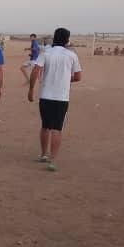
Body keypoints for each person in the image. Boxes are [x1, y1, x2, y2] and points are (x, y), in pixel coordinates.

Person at [28, 27, 82, 172]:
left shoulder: (46, 53)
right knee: (57, 129)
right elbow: (78, 77)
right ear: (67, 40)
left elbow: (35, 71)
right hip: (61, 97)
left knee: (45, 126)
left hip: (46, 95)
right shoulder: (71, 55)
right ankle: (52, 160)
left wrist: (31, 89)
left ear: (54, 38)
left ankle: (43, 154)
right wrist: (65, 79)